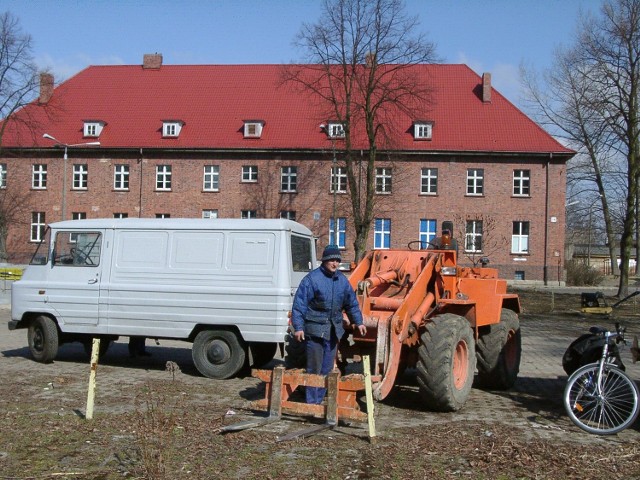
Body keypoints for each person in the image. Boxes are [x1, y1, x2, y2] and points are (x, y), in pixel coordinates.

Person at [291, 245, 366, 404]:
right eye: (332, 260)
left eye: (337, 260)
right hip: (315, 331)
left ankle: (319, 399)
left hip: (333, 331)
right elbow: (299, 305)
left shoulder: (342, 281)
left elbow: (351, 304)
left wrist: (358, 322)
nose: (335, 263)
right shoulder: (312, 279)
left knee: (326, 369)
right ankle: (312, 403)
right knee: (314, 369)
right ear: (324, 261)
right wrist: (298, 328)